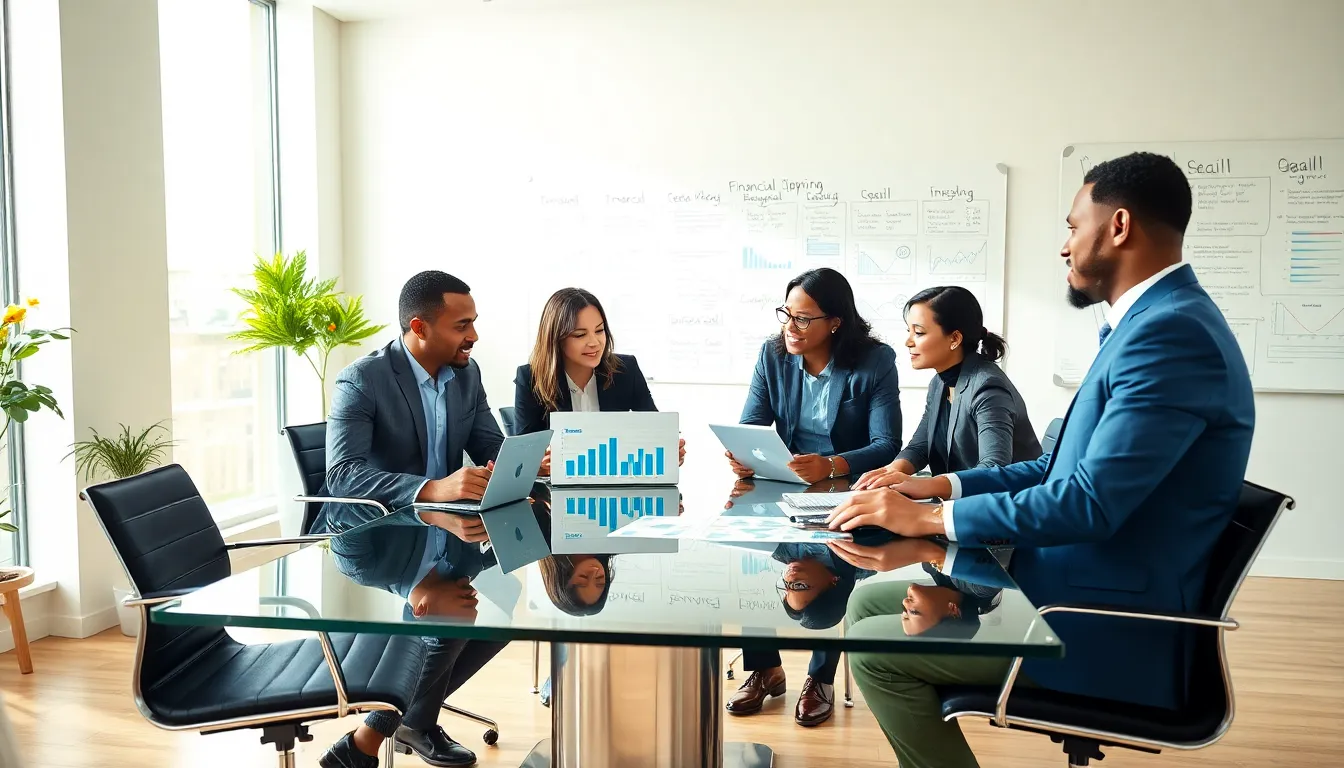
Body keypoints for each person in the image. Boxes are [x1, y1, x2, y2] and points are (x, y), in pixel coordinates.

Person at [826, 152, 1256, 768]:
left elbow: (1089, 503)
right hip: (1075, 581)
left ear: (1119, 226)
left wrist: (929, 522)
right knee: (867, 603)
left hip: (1099, 625)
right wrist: (936, 490)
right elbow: (1057, 470)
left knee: (874, 650)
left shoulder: (1170, 335)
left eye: (1073, 226)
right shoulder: (1151, 325)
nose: (1064, 245)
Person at [315, 270, 509, 768]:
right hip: (374, 540)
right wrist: (431, 491)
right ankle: (378, 737)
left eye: (474, 322)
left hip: (446, 531)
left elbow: (490, 446)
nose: (473, 335)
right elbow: (342, 476)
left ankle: (404, 724)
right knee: (454, 613)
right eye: (461, 325)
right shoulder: (363, 380)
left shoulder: (467, 374)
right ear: (419, 327)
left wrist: (520, 466)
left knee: (512, 611)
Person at [725, 267, 901, 726]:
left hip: (846, 489)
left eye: (803, 318)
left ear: (835, 322)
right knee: (744, 570)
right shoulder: (772, 354)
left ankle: (820, 678)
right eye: (787, 314)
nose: (791, 327)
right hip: (783, 485)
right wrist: (746, 456)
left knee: (842, 560)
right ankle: (764, 669)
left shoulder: (874, 361)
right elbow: (752, 423)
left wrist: (833, 464)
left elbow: (887, 444)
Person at [854, 286, 1040, 490]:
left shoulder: (987, 387)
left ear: (954, 339)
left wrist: (923, 486)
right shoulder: (939, 382)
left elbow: (994, 467)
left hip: (1010, 501)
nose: (908, 342)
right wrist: (888, 472)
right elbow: (921, 447)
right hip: (968, 498)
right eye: (909, 332)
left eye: (919, 332)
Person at [513, 287, 684, 471]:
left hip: (616, 482)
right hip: (559, 486)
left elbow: (655, 430)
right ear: (556, 338)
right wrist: (539, 465)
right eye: (580, 335)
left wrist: (669, 450)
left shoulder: (626, 370)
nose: (594, 342)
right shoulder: (531, 378)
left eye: (600, 330)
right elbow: (521, 458)